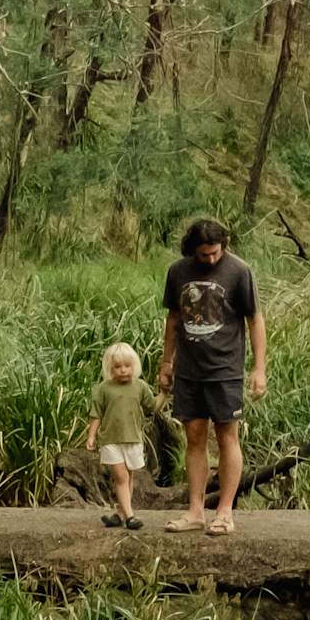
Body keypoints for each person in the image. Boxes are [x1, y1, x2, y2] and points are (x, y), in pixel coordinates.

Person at [157, 214, 265, 534]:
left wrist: (259, 369)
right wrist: (166, 363)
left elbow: (255, 320)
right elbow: (174, 319)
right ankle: (194, 511)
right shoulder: (178, 271)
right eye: (204, 254)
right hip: (190, 369)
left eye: (216, 252)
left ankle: (225, 511)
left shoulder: (239, 271)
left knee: (226, 435)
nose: (211, 258)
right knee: (194, 437)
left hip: (225, 369)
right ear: (193, 250)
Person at [84, 341, 159, 530]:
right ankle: (130, 517)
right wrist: (91, 436)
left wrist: (165, 392)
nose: (123, 370)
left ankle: (119, 513)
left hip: (133, 438)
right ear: (110, 368)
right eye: (118, 367)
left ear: (134, 366)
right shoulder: (103, 389)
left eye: (127, 366)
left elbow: (152, 406)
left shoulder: (140, 386)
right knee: (121, 476)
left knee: (129, 476)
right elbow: (96, 414)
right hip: (110, 439)